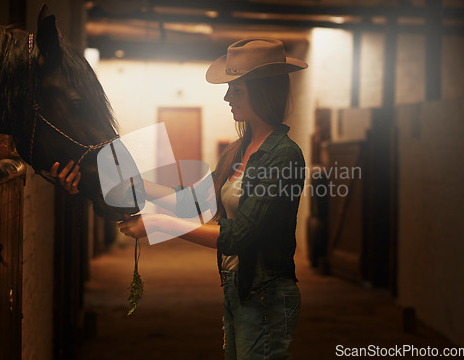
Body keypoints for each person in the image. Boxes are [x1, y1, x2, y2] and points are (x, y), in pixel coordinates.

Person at [54, 38, 308, 359]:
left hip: (266, 294)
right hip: (237, 287)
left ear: (263, 91)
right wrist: (118, 183)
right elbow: (194, 201)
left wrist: (160, 223)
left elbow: (240, 237)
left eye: (237, 89)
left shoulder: (283, 156)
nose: (227, 96)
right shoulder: (240, 149)